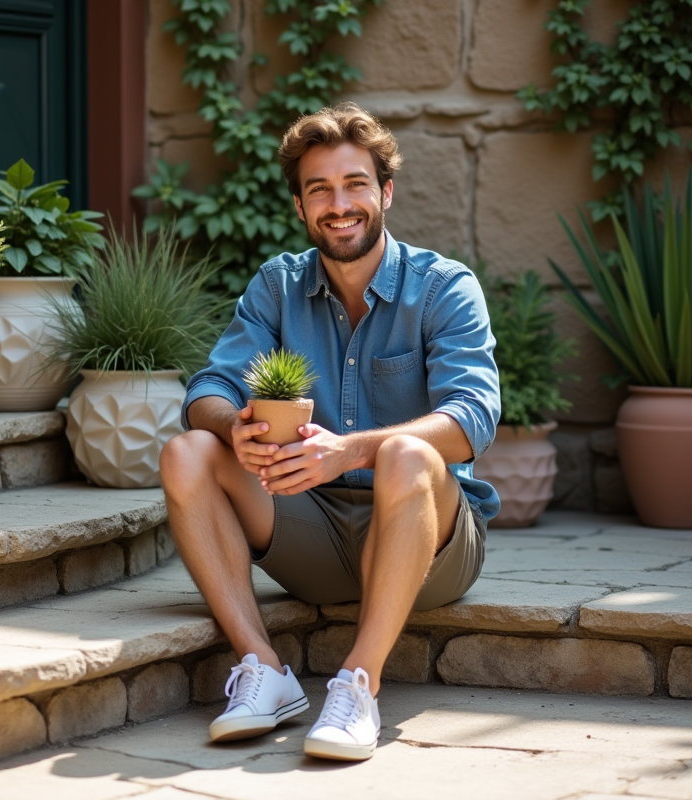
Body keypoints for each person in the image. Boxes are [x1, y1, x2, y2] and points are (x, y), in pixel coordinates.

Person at [158, 102, 500, 762]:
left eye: (354, 185)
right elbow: (208, 392)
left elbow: (472, 420)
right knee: (188, 452)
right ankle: (264, 672)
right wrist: (237, 430)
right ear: (300, 207)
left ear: (385, 193)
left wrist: (349, 451)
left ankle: (357, 685)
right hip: (308, 530)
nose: (338, 205)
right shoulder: (276, 287)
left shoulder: (443, 288)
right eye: (319, 190)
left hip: (427, 541)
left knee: (404, 452)